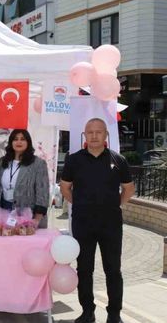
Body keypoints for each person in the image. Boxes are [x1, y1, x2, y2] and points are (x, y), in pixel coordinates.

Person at [61, 118, 134, 323]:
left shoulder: (118, 160)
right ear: (84, 135)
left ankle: (114, 314)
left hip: (110, 223)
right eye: (90, 132)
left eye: (98, 132)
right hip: (83, 222)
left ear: (106, 135)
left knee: (113, 269)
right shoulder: (74, 160)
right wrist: (82, 203)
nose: (94, 136)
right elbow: (65, 187)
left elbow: (129, 189)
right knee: (84, 269)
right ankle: (87, 311)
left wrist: (115, 204)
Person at [0, 129, 50, 227]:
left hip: (29, 215)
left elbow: (43, 193)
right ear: (11, 142)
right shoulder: (2, 162)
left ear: (28, 142)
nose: (19, 142)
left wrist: (37, 219)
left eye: (22, 139)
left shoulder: (38, 163)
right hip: (5, 210)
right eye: (15, 139)